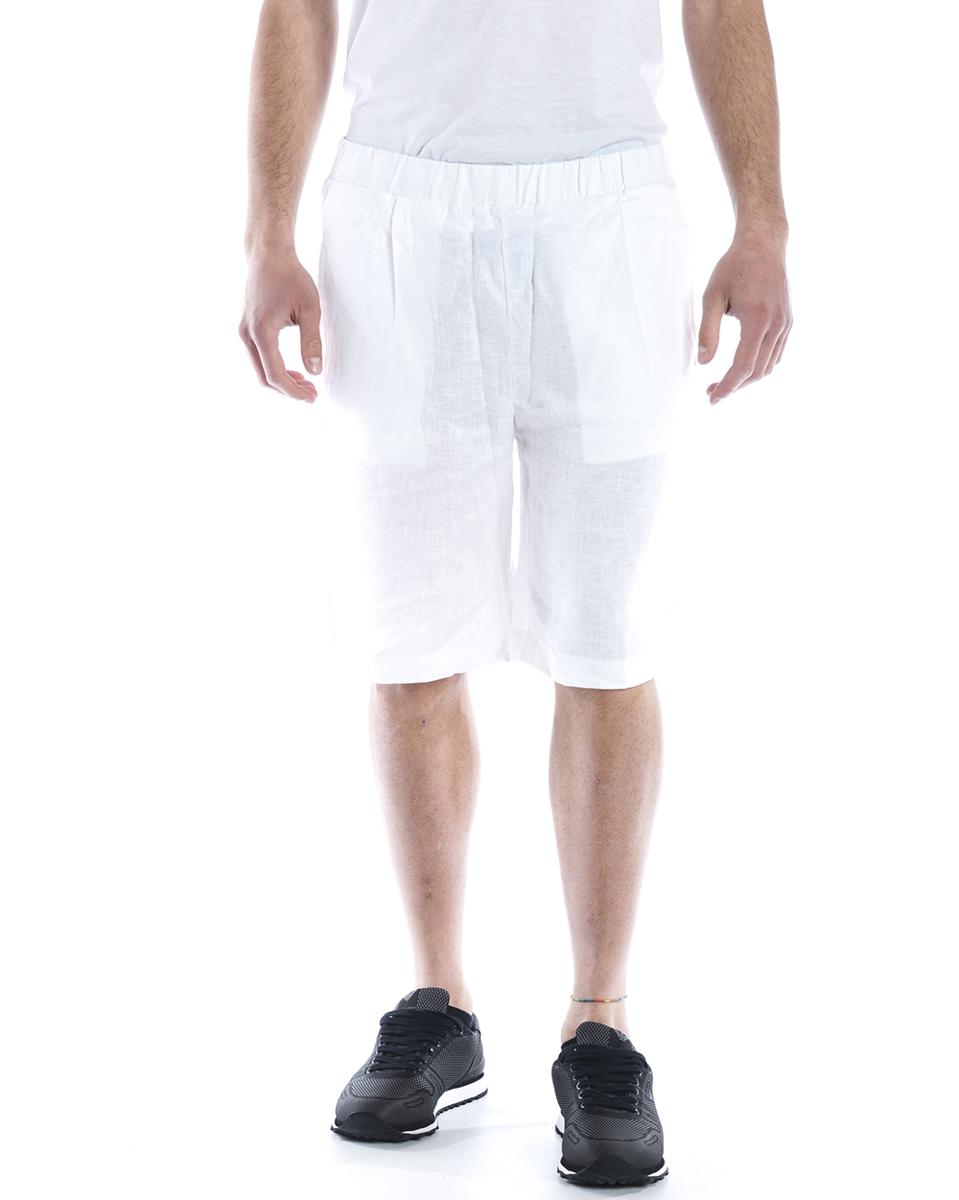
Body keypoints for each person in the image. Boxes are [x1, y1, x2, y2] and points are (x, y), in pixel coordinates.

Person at [239, 0, 791, 1185]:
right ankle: (436, 1004)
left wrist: (762, 222)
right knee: (406, 641)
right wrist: (264, 235)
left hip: (609, 208)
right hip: (398, 204)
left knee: (605, 636)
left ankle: (599, 1024)